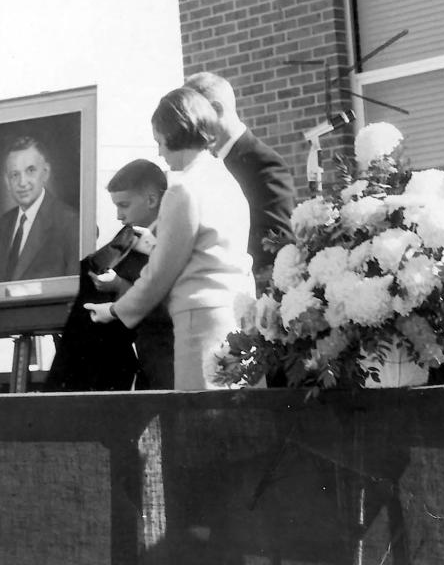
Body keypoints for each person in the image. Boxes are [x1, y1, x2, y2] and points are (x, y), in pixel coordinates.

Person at [86, 87, 255, 391]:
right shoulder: (226, 180)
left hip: (200, 323)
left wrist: (114, 310)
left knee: (199, 426)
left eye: (159, 141)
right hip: (239, 317)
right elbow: (207, 249)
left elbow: (161, 274)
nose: (159, 152)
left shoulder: (183, 189)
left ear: (173, 134)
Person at [45, 159, 174, 391]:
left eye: (124, 205)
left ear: (152, 200)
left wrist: (118, 286)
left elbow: (166, 305)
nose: (118, 215)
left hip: (168, 358)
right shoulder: (127, 236)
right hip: (145, 358)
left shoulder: (172, 235)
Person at [185, 71, 294, 284]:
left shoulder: (263, 163)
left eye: (194, 120)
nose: (189, 130)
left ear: (216, 110)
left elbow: (277, 238)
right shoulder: (206, 164)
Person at [0, 135, 80, 283]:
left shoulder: (70, 223)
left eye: (30, 170)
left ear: (45, 173)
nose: (22, 182)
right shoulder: (4, 223)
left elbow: (75, 291)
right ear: (7, 181)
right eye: (15, 174)